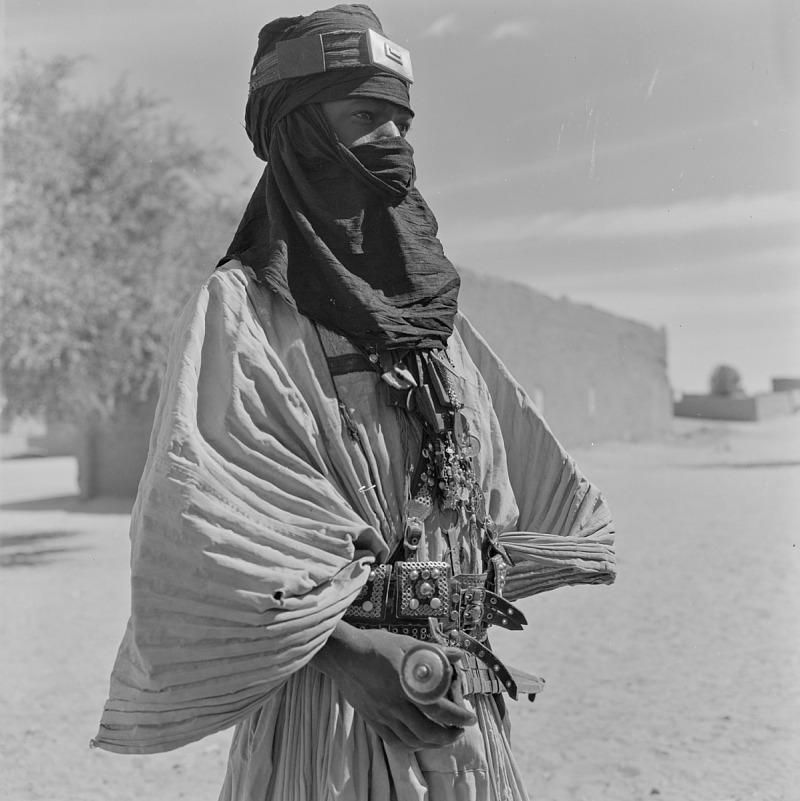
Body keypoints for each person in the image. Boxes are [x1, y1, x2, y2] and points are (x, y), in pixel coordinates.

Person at [93, 5, 616, 800]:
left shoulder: (436, 322)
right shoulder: (244, 312)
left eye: (403, 120)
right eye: (366, 117)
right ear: (305, 134)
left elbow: (497, 495)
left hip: (460, 704)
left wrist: (469, 578)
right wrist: (347, 650)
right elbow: (197, 532)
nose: (396, 140)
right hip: (331, 717)